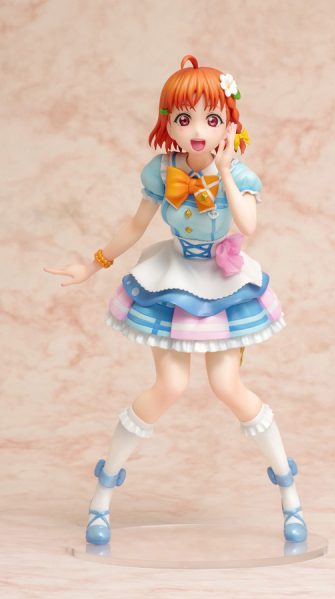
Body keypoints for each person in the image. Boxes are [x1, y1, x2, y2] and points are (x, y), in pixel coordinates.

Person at [44, 54, 307, 546]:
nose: (198, 131)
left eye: (212, 119)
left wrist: (225, 171)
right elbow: (135, 225)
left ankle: (290, 495)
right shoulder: (162, 170)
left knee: (228, 386)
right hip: (172, 276)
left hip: (222, 282)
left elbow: (249, 224)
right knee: (169, 385)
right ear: (169, 123)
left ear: (230, 124)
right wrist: (93, 264)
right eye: (185, 119)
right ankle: (102, 496)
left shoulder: (240, 174)